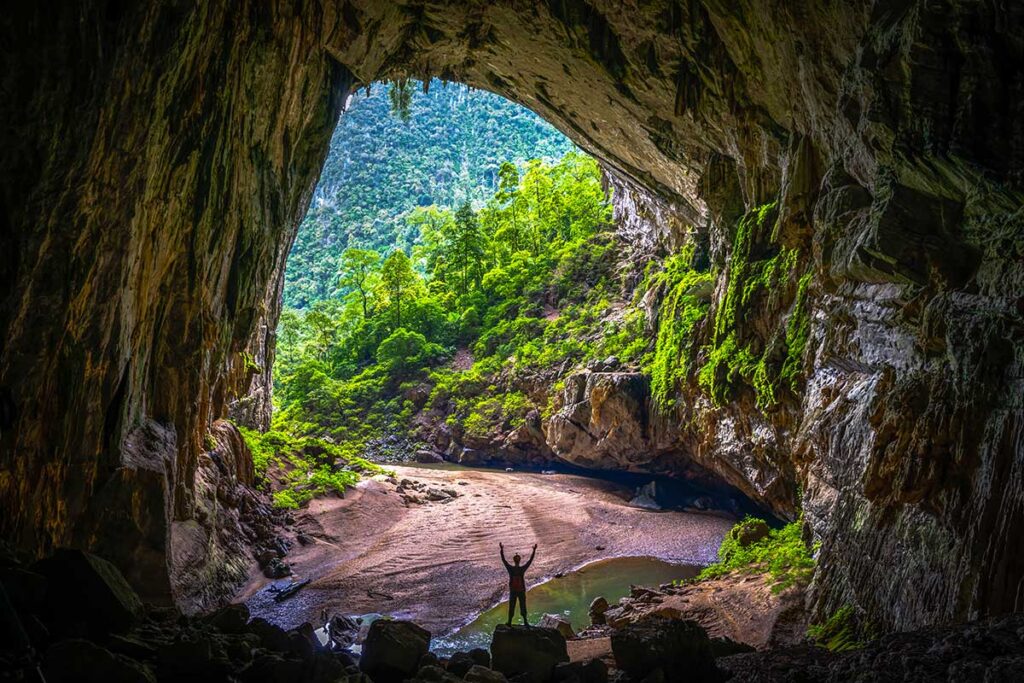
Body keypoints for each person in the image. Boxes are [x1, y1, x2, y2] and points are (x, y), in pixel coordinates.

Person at [499, 542, 536, 626]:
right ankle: (526, 622)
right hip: (521, 590)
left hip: (513, 591)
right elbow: (530, 561)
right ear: (519, 561)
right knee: (523, 605)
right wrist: (534, 550)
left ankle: (509, 622)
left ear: (514, 560)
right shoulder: (522, 569)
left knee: (512, 606)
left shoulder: (510, 569)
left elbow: (503, 560)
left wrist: (501, 549)